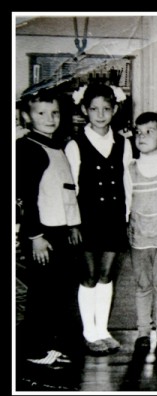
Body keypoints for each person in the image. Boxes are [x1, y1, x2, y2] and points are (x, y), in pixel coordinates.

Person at [16, 88, 82, 367]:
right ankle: (33, 349)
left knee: (60, 293)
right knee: (42, 294)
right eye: (41, 113)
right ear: (26, 116)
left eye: (54, 113)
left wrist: (73, 226)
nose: (49, 118)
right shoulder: (28, 148)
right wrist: (35, 236)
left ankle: (52, 344)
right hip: (42, 234)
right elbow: (25, 198)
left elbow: (66, 191)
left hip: (60, 231)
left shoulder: (56, 146)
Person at [65, 83, 133, 355]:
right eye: (94, 109)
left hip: (114, 218)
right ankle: (89, 333)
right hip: (86, 219)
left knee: (106, 275)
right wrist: (73, 223)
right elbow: (70, 187)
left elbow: (127, 182)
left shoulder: (123, 143)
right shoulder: (75, 144)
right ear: (84, 110)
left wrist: (127, 216)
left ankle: (102, 330)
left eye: (106, 108)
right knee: (89, 275)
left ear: (115, 109)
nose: (101, 114)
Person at [124, 112, 157, 356]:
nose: (142, 136)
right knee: (142, 285)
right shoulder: (130, 168)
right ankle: (143, 332)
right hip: (139, 238)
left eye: (149, 132)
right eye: (138, 132)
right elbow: (126, 203)